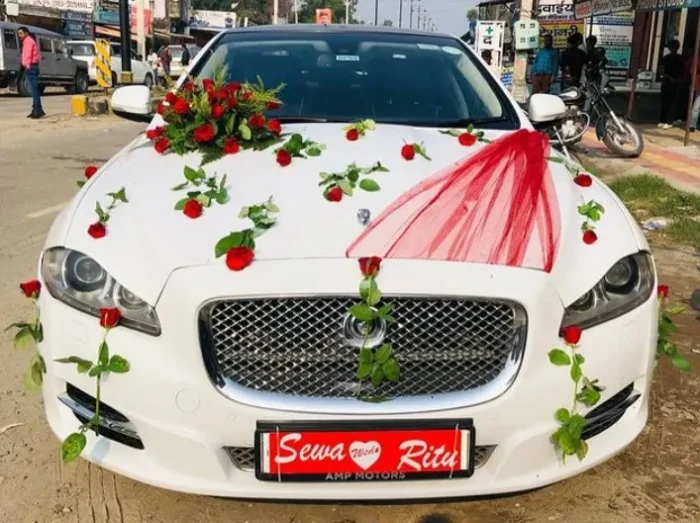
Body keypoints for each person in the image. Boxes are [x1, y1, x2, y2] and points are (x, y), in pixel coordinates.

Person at [17, 26, 44, 119]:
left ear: (26, 33)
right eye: (18, 34)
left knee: (34, 91)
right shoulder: (28, 41)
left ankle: (37, 111)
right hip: (32, 67)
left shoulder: (28, 41)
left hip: (31, 67)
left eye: (21, 33)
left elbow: (28, 55)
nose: (19, 35)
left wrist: (27, 66)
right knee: (34, 90)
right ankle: (38, 110)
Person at [658, 39, 684, 130]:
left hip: (666, 82)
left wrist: (668, 77)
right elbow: (684, 72)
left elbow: (661, 71)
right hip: (675, 83)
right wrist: (677, 79)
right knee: (672, 102)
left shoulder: (665, 58)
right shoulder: (681, 58)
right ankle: (668, 121)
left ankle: (661, 121)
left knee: (664, 102)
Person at [686, 55, 700, 133]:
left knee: (696, 106)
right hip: (698, 84)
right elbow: (692, 71)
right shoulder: (696, 59)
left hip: (697, 84)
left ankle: (692, 125)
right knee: (696, 106)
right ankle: (692, 125)